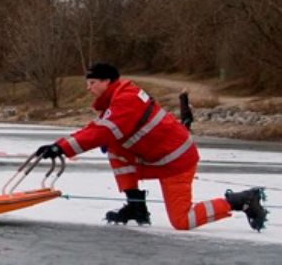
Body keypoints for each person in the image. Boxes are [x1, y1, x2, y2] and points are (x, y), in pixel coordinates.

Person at [34, 63, 268, 231]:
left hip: (176, 162)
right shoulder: (117, 100)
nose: (88, 88)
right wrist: (59, 146)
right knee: (114, 148)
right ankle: (137, 206)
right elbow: (101, 129)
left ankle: (241, 200)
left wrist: (61, 148)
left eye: (92, 83)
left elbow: (103, 130)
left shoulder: (126, 100)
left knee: (182, 221)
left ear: (107, 82)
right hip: (155, 158)